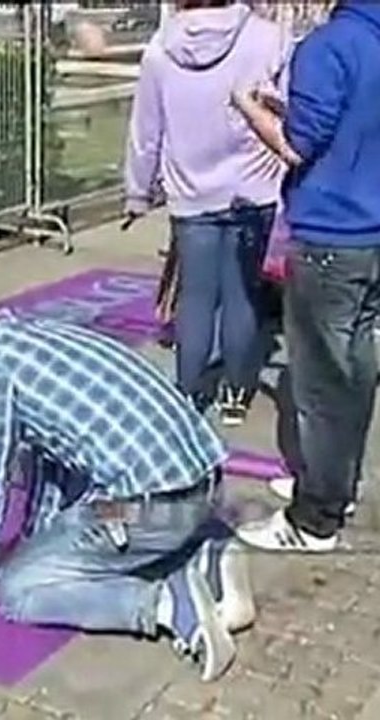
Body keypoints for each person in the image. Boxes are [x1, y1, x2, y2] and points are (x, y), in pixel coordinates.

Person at [0, 278, 254, 682]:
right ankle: (203, 553)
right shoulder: (39, 332)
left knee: (16, 591)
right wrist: (37, 540)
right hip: (204, 484)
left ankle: (170, 605)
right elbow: (53, 463)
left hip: (150, 505)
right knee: (68, 536)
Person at [231, 0, 380, 552]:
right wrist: (288, 108)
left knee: (319, 382)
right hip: (372, 234)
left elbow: (296, 145)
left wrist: (248, 106)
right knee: (356, 373)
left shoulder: (329, 45)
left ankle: (314, 518)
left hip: (331, 236)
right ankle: (336, 484)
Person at [124, 0, 290, 426]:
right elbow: (289, 113)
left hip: (190, 189)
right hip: (253, 187)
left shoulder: (162, 47)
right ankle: (236, 392)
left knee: (196, 297)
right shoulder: (269, 37)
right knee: (241, 293)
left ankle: (188, 391)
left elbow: (146, 129)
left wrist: (138, 191)